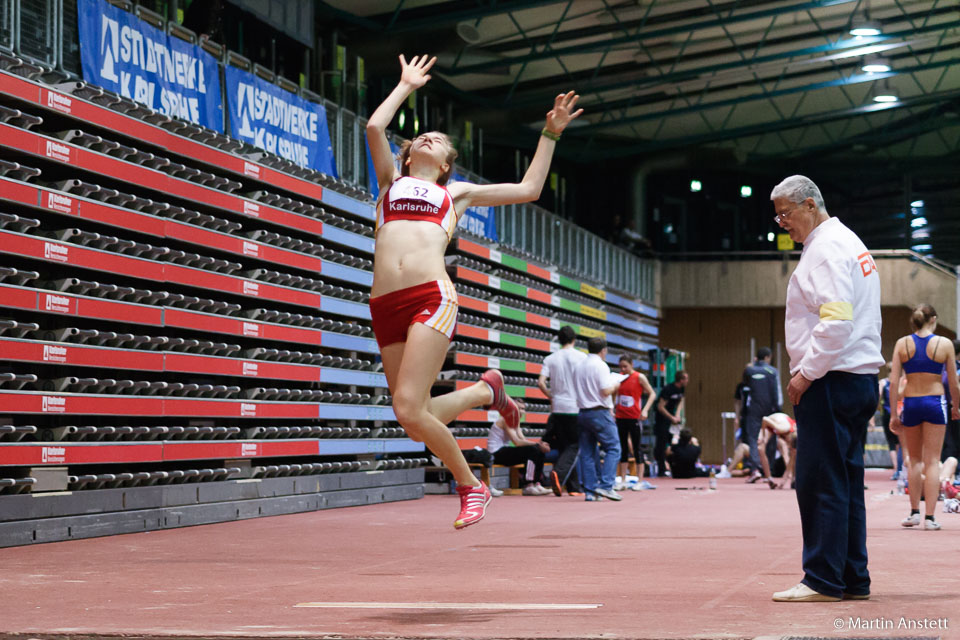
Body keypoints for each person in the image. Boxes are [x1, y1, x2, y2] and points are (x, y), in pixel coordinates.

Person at [366, 54, 582, 529]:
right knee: (414, 413)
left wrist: (550, 134)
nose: (428, 138)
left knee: (406, 408)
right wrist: (405, 85)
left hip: (430, 297)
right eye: (422, 136)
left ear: (445, 165)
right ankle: (487, 390)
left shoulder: (455, 194)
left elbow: (529, 189)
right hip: (384, 303)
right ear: (407, 156)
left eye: (439, 141)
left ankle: (471, 486)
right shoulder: (388, 184)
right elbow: (374, 128)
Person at [769, 175, 883, 603]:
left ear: (811, 204)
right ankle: (853, 577)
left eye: (786, 212)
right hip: (855, 379)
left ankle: (821, 578)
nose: (781, 222)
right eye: (777, 214)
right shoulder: (849, 242)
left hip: (831, 380)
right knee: (846, 483)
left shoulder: (825, 250)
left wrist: (806, 373)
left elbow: (836, 321)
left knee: (820, 482)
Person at [888, 304, 960, 531]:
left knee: (914, 459)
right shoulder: (944, 344)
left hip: (911, 402)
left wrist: (893, 413)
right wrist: (956, 406)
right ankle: (930, 518)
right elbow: (954, 381)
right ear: (934, 319)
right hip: (934, 402)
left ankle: (914, 513)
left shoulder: (902, 344)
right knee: (932, 461)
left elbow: (893, 382)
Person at [538, 325, 586, 496]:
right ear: (574, 339)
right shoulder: (581, 357)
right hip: (574, 406)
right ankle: (559, 472)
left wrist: (551, 396)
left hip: (557, 407)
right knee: (575, 445)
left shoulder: (550, 358)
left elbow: (540, 382)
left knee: (566, 445)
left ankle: (573, 487)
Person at [573, 337, 623, 501]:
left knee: (587, 452)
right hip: (599, 411)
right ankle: (606, 486)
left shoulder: (579, 365)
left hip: (582, 412)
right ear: (604, 350)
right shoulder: (601, 365)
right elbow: (605, 391)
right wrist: (616, 384)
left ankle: (590, 491)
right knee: (614, 448)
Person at [487, 402, 553, 496]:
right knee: (533, 449)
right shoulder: (506, 419)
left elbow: (523, 440)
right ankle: (528, 485)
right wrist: (538, 444)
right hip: (495, 453)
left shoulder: (515, 421)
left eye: (523, 408)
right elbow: (517, 442)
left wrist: (540, 445)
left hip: (504, 451)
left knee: (538, 450)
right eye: (519, 408)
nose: (521, 411)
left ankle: (537, 483)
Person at [740, 347, 782, 482]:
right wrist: (778, 410)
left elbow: (744, 388)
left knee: (753, 438)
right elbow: (776, 392)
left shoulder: (749, 370)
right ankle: (768, 470)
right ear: (768, 357)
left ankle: (755, 469)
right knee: (769, 437)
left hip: (753, 409)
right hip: (769, 409)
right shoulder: (773, 371)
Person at [614, 354, 656, 488]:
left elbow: (652, 394)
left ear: (631, 364)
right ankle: (623, 480)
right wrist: (612, 408)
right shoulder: (619, 378)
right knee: (623, 448)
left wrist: (645, 410)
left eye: (625, 366)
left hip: (634, 417)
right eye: (621, 367)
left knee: (637, 448)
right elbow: (614, 394)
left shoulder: (639, 377)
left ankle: (639, 480)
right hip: (620, 417)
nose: (623, 369)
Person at [653, 371, 688, 477]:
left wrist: (677, 415)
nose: (687, 381)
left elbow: (681, 401)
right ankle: (661, 469)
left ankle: (672, 466)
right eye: (686, 379)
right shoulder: (668, 389)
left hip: (672, 419)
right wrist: (671, 417)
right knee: (661, 444)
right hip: (662, 419)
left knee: (673, 442)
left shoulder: (681, 389)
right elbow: (660, 407)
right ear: (681, 380)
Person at [758, 413, 797, 490]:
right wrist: (762, 435)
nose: (789, 446)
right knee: (760, 448)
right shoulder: (782, 428)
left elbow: (790, 462)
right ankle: (769, 478)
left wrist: (783, 481)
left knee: (792, 455)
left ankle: (793, 478)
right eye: (789, 445)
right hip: (769, 424)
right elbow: (764, 419)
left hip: (784, 428)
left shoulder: (794, 438)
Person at [878, 365, 902, 479]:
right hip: (899, 413)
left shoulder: (883, 382)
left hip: (888, 413)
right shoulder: (900, 381)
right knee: (900, 442)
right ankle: (900, 468)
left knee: (891, 442)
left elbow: (877, 397)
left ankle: (897, 468)